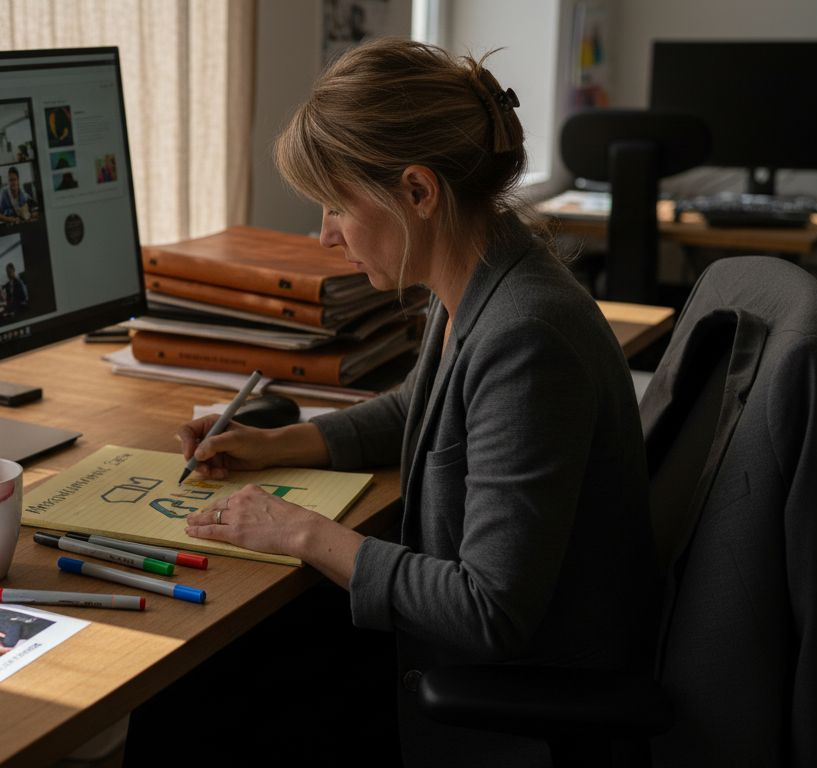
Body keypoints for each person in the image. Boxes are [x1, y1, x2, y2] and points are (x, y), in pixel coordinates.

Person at [174, 39, 653, 765]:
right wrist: (277, 444)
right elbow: (418, 410)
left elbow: (489, 610)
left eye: (337, 205)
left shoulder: (526, 336)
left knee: (199, 696)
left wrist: (301, 532)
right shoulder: (481, 270)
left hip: (496, 697)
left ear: (419, 192)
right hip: (457, 653)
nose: (325, 235)